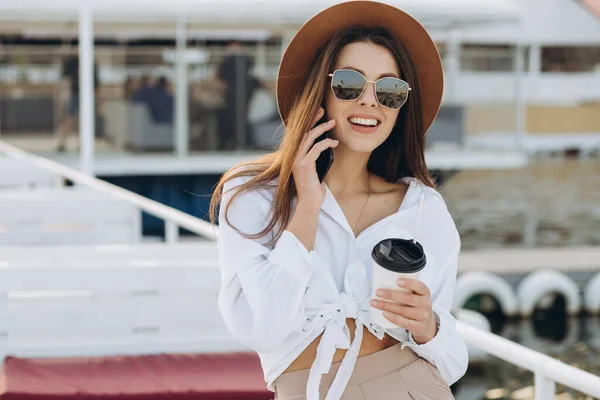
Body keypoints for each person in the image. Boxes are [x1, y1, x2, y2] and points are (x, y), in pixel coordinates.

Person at [210, 2, 468, 399]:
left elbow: (450, 362)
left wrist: (427, 326)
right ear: (319, 91)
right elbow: (263, 329)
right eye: (349, 84)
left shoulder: (422, 209)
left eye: (389, 90)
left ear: (401, 107)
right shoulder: (252, 195)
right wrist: (308, 205)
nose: (370, 101)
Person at [216, 40, 261, 150]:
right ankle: (242, 143)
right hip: (239, 96)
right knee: (238, 119)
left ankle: (241, 143)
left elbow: (221, 80)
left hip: (238, 96)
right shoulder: (244, 61)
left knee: (237, 119)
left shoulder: (240, 61)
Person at [56, 55, 99, 152]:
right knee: (69, 119)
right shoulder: (72, 62)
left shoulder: (91, 63)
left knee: (84, 121)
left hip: (87, 95)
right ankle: (62, 143)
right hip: (75, 94)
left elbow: (96, 84)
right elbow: (66, 80)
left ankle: (81, 144)